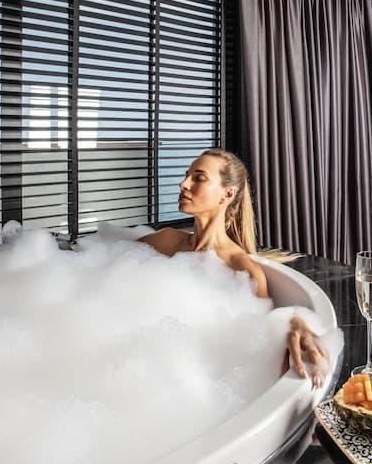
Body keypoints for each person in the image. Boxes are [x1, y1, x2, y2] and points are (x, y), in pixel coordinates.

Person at [137, 148, 328, 387]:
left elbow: (262, 333)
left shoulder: (241, 269)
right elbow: (107, 257)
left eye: (199, 178)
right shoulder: (166, 240)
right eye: (186, 176)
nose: (183, 184)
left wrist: (296, 322)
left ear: (227, 194)